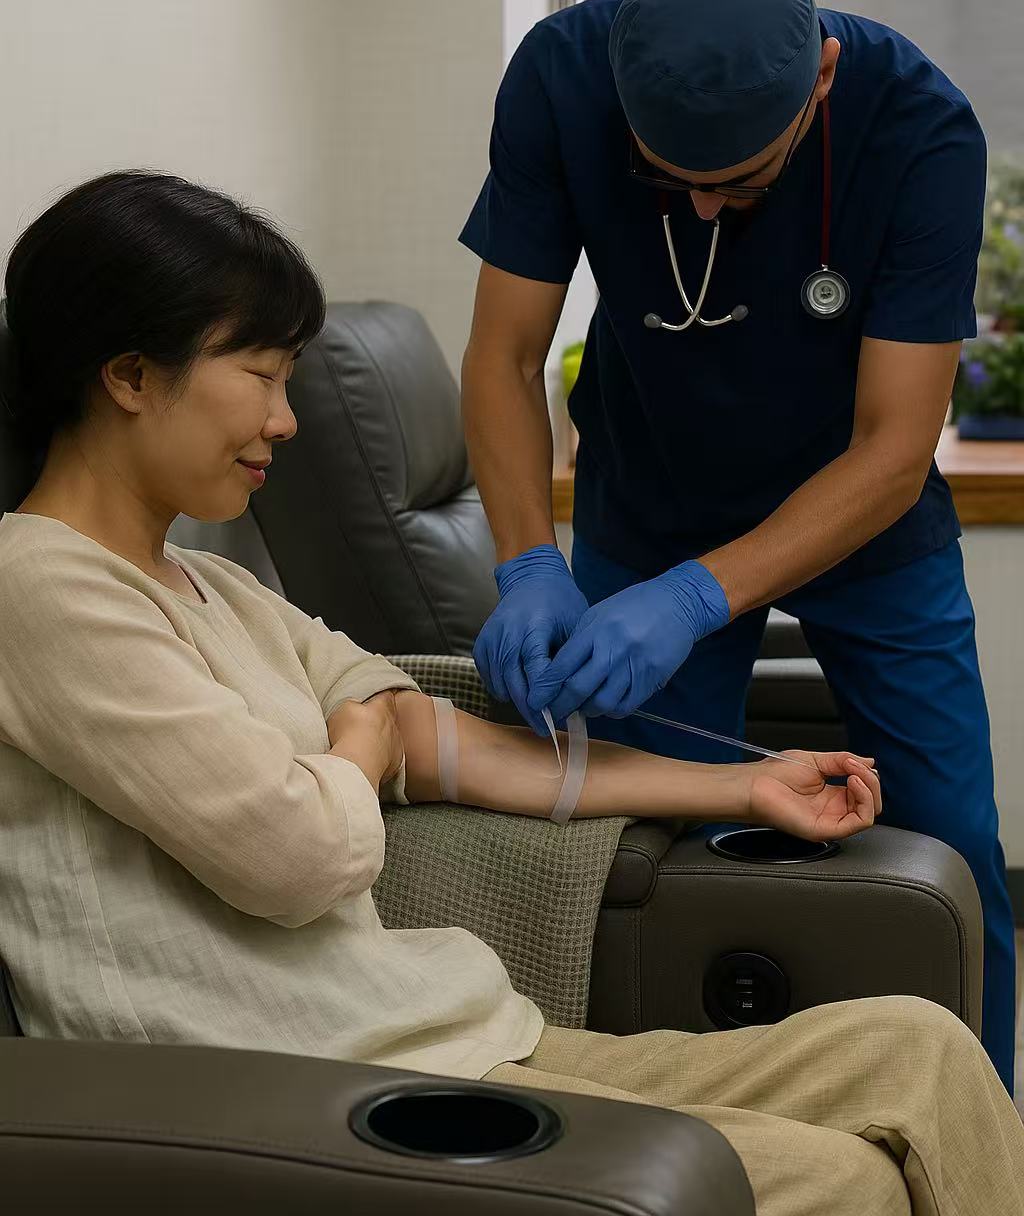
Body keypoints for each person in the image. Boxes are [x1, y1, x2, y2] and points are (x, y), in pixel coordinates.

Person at [0, 172, 1020, 1216]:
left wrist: (743, 790)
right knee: (843, 1182)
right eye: (261, 376)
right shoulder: (39, 588)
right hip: (292, 1088)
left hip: (434, 1029)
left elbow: (437, 741)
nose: (286, 419)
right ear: (128, 374)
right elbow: (296, 852)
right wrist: (359, 744)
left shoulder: (210, 585)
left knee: (919, 1048)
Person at [459, 0, 1018, 1097]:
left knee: (954, 843)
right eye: (676, 182)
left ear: (820, 75)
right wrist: (526, 562)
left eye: (742, 181)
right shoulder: (561, 76)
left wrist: (700, 596)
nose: (705, 211)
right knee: (655, 860)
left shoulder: (918, 125)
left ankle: (979, 1134)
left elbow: (894, 445)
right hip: (650, 497)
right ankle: (701, 1131)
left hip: (863, 519)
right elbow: (505, 359)